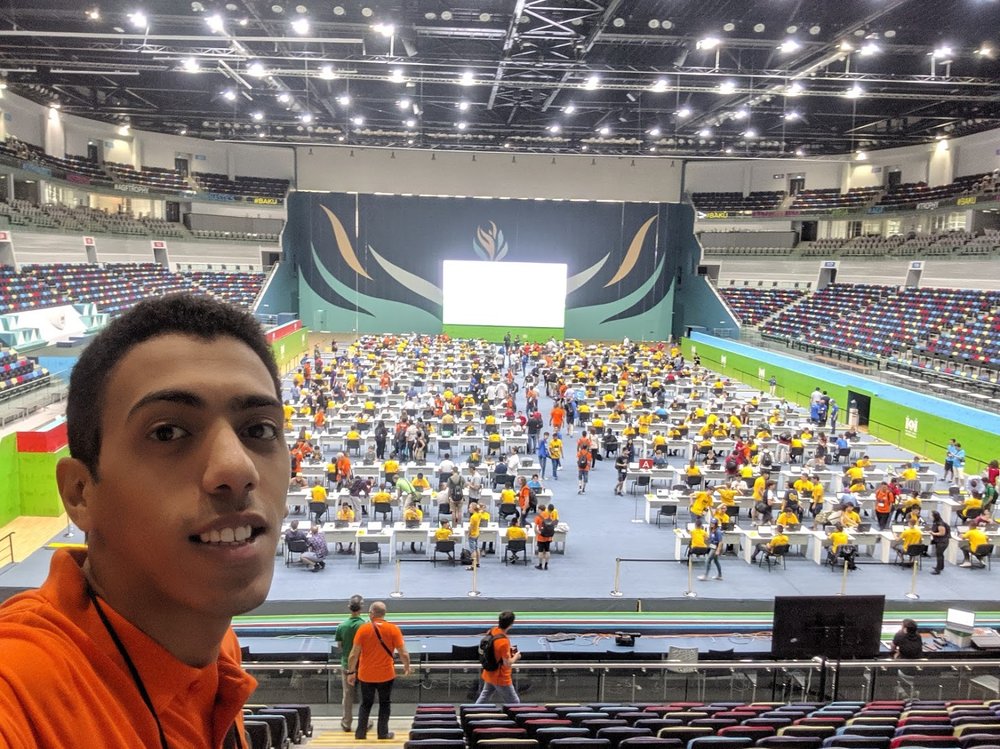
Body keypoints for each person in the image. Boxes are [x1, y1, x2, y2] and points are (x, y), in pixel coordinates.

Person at [0, 294, 289, 747]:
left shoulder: (215, 643)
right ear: (79, 492)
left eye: (259, 430)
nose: (238, 469)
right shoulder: (20, 691)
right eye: (168, 432)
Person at [346, 601, 411, 741]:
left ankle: (360, 733)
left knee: (365, 704)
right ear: (384, 613)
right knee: (385, 703)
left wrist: (351, 672)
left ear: (372, 613)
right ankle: (382, 733)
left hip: (365, 675)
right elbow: (403, 653)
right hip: (386, 675)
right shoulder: (393, 629)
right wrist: (407, 666)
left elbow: (353, 654)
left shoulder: (363, 629)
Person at [335, 595, 373, 734]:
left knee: (347, 695)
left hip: (346, 664)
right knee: (365, 695)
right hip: (363, 665)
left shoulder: (341, 626)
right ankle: (365, 721)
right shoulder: (366, 626)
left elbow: (340, 646)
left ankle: (346, 722)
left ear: (349, 607)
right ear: (362, 608)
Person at [475, 610, 522, 705]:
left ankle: (471, 712)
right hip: (500, 677)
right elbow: (507, 663)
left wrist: (507, 650)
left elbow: (494, 649)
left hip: (490, 673)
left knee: (484, 697)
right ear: (511, 624)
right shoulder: (503, 641)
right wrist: (516, 656)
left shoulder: (493, 631)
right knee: (515, 703)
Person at [928, 510, 949, 575]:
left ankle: (938, 570)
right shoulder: (936, 522)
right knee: (940, 554)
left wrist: (933, 533)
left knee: (939, 555)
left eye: (931, 515)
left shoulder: (940, 524)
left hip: (942, 542)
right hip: (940, 541)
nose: (931, 517)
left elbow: (942, 533)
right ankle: (940, 567)